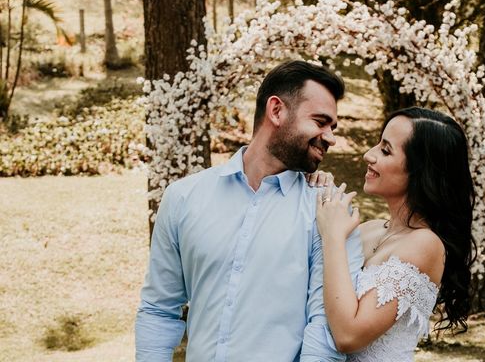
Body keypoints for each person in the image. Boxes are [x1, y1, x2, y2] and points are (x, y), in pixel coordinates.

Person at [135, 60, 364, 361]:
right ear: (277, 110)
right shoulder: (183, 198)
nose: (331, 137)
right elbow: (158, 309)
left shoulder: (329, 211)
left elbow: (324, 331)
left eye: (332, 127)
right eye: (320, 122)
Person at [314, 107, 475, 361]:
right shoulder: (369, 229)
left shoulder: (426, 244)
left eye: (385, 150)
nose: (369, 155)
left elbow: (348, 336)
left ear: (422, 172)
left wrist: (333, 237)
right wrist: (317, 190)